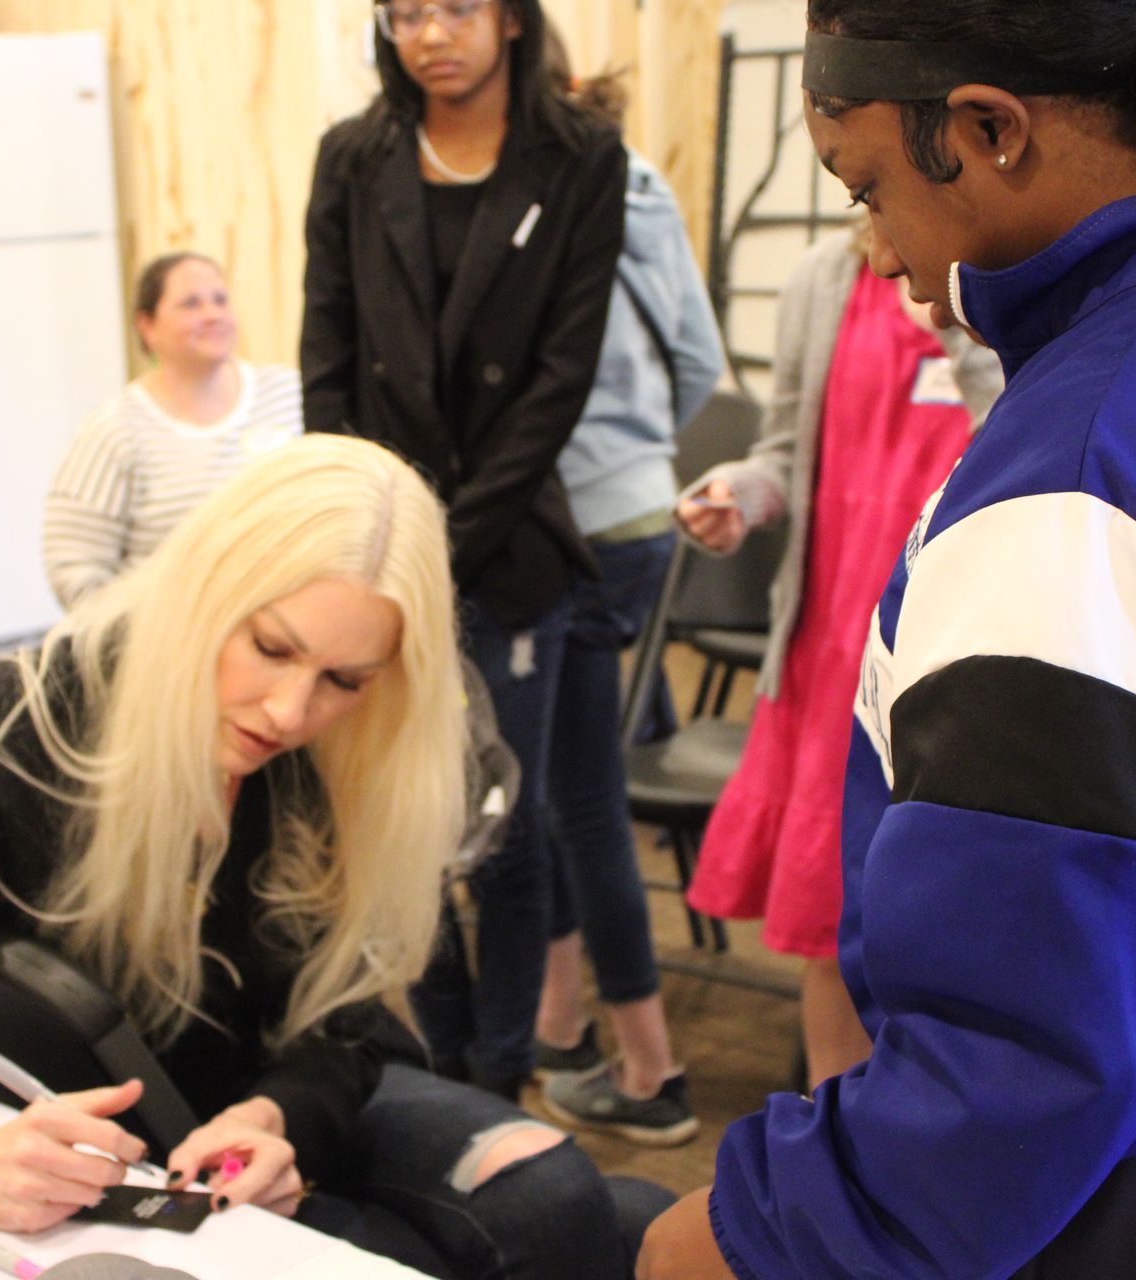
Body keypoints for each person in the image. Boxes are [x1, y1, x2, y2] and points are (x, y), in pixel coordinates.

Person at [638, 0, 1136, 1276]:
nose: (873, 249)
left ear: (989, 132)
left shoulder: (1095, 473)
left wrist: (766, 1231)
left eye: (866, 184)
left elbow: (1036, 1043)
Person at [0, 436, 669, 1280]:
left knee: (569, 1201)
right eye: (269, 647)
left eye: (343, 679)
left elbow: (346, 1024)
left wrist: (275, 1118)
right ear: (207, 590)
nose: (290, 712)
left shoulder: (337, 756)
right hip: (128, 1162)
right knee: (564, 1226)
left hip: (251, 1136)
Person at [301, 0, 628, 1099]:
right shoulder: (355, 156)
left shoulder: (579, 155)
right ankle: (441, 1058)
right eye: (404, 14)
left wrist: (443, 542)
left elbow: (558, 380)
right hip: (378, 541)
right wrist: (363, 528)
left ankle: (500, 1073)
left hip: (507, 542)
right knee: (400, 823)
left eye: (454, 9)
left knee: (506, 825)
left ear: (511, 21)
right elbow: (327, 357)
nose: (430, 33)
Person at [672, 220, 1001, 1093]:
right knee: (833, 923)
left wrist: (959, 321)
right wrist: (739, 494)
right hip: (832, 650)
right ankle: (831, 1144)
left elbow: (1019, 427)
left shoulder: (1007, 275)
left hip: (950, 647)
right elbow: (786, 450)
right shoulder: (825, 277)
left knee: (936, 917)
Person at [524, 32, 724, 1146]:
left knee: (576, 800)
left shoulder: (542, 183)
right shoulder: (633, 171)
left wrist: (590, 458)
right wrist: (638, 450)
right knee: (558, 789)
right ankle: (560, 1020)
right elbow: (697, 357)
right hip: (638, 507)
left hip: (562, 524)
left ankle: (651, 1068)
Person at [43, 252, 302, 609]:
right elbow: (73, 565)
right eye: (190, 304)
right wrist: (131, 636)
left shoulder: (289, 393)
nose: (213, 314)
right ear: (147, 327)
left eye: (220, 300)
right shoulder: (115, 430)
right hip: (168, 641)